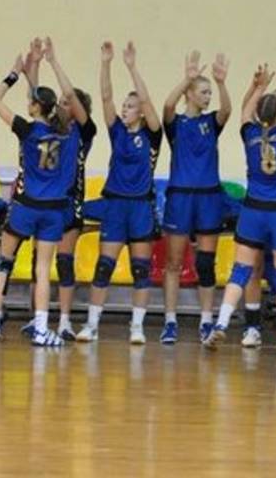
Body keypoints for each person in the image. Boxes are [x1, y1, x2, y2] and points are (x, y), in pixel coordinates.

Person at [204, 60, 276, 357]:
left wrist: (258, 86)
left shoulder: (250, 135)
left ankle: (221, 323)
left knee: (241, 270)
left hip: (253, 211)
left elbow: (244, 113)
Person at [0, 42, 81, 347]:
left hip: (25, 205)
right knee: (42, 268)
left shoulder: (26, 130)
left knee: (5, 261)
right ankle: (41, 329)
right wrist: (36, 72)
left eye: (30, 101)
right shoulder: (67, 134)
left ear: (34, 107)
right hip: (53, 210)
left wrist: (16, 73)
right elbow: (52, 101)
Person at [76, 41, 162, 344]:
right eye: (124, 105)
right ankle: (91, 325)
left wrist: (132, 67)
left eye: (130, 106)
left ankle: (137, 327)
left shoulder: (152, 135)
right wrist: (106, 63)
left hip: (140, 208)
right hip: (115, 206)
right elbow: (106, 96)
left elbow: (147, 101)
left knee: (141, 270)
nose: (124, 109)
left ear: (141, 113)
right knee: (104, 268)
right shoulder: (117, 131)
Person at [160, 50, 231, 344]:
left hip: (208, 198)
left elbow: (227, 111)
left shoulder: (211, 122)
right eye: (204, 92)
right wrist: (185, 79)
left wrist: (221, 83)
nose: (208, 97)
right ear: (189, 94)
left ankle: (206, 320)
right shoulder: (176, 123)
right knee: (174, 262)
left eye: (210, 93)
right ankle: (170, 321)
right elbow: (167, 105)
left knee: (205, 263)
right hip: (180, 197)